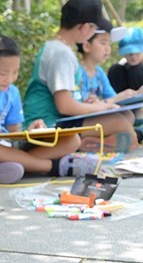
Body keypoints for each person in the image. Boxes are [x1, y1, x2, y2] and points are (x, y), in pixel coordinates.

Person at [0, 35, 98, 183]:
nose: (9, 79)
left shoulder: (12, 92)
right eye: (3, 73)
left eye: (15, 72)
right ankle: (52, 166)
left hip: (5, 146)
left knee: (72, 140)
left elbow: (13, 132)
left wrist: (29, 132)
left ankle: (1, 168)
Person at [23, 0, 137, 154]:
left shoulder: (56, 47)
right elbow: (65, 106)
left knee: (126, 117)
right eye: (94, 27)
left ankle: (82, 145)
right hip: (46, 124)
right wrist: (102, 106)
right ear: (85, 27)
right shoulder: (61, 53)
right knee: (122, 126)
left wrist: (96, 105)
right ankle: (77, 146)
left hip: (58, 119)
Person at [77, 20, 137, 104]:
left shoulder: (99, 72)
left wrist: (136, 94)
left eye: (109, 43)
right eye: (103, 42)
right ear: (86, 46)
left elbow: (112, 97)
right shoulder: (76, 72)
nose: (108, 48)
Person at [108, 27, 143, 94]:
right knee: (115, 69)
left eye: (137, 53)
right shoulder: (119, 70)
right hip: (122, 100)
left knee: (136, 70)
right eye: (129, 53)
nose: (133, 56)